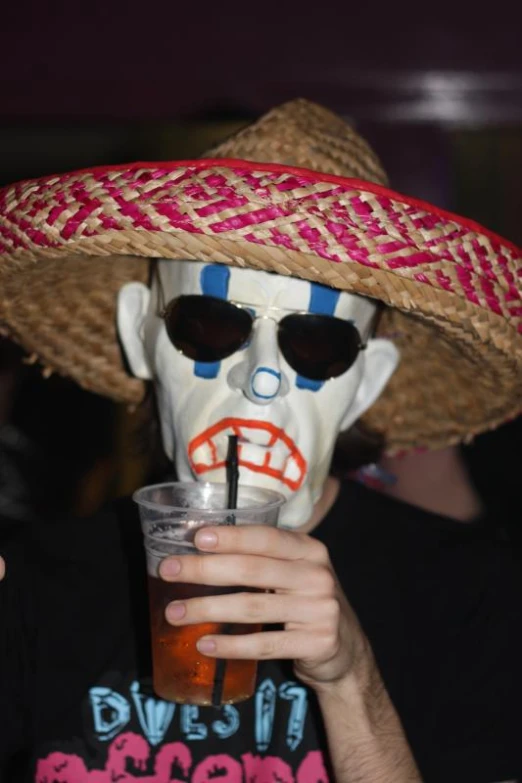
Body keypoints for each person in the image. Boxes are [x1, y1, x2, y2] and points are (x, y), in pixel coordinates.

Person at [0, 98, 521, 783]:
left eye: (317, 341)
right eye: (212, 324)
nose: (263, 379)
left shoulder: (473, 592)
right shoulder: (35, 586)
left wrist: (350, 681)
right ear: (143, 336)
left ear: (366, 382)